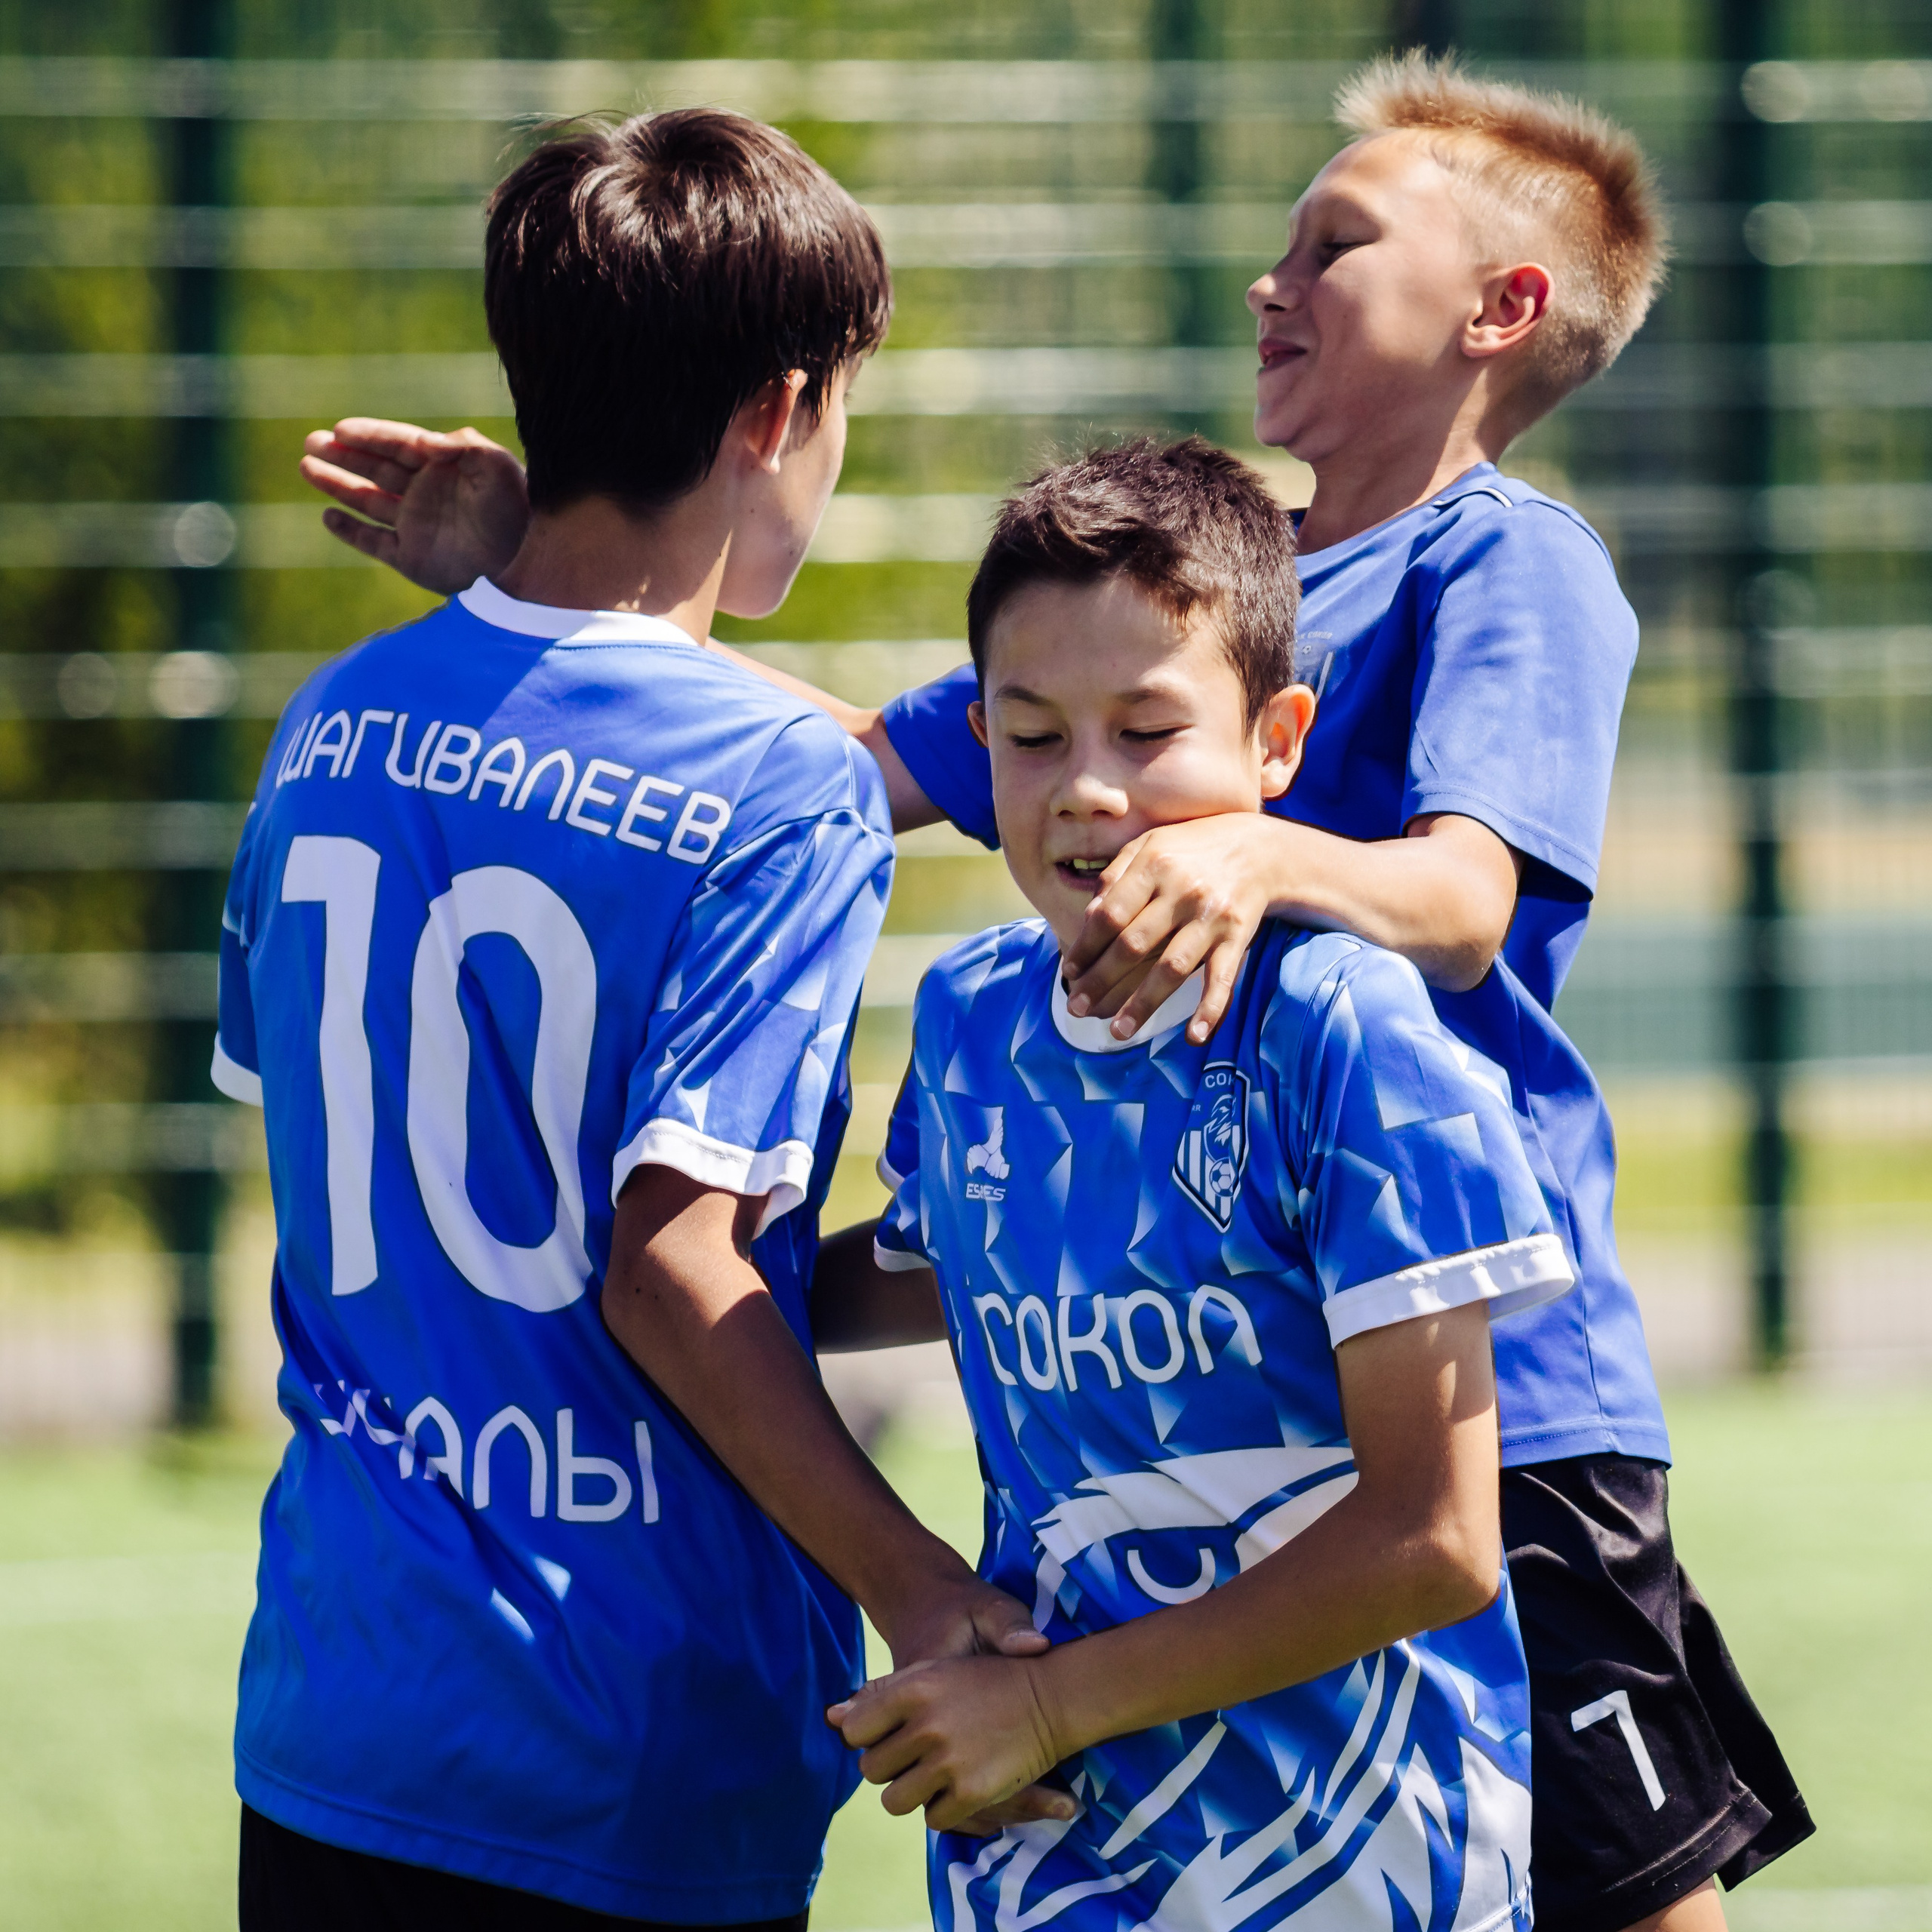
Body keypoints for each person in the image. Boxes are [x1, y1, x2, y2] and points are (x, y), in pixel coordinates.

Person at [298, 57, 1812, 1932]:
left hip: (1473, 1374)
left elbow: (1466, 896)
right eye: (1037, 734)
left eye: (1331, 244)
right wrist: (539, 573)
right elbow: (828, 759)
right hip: (1185, 1394)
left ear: (1499, 313)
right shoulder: (1182, 589)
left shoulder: (1508, 556)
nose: (1270, 278)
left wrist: (1266, 857)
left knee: (1606, 1881)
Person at [214, 108, 1057, 1930]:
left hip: (336, 1715)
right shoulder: (780, 788)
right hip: (622, 1738)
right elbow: (671, 1270)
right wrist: (919, 1588)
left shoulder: (333, 722)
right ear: (774, 411)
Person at [819, 435, 1572, 1930]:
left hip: (1356, 1869)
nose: (1086, 789)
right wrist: (661, 1279)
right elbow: (917, 1274)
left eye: (1146, 730)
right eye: (1030, 736)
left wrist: (1044, 1708)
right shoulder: (970, 1015)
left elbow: (1434, 1539)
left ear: (1275, 743)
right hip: (1050, 1861)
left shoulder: (1344, 1029)